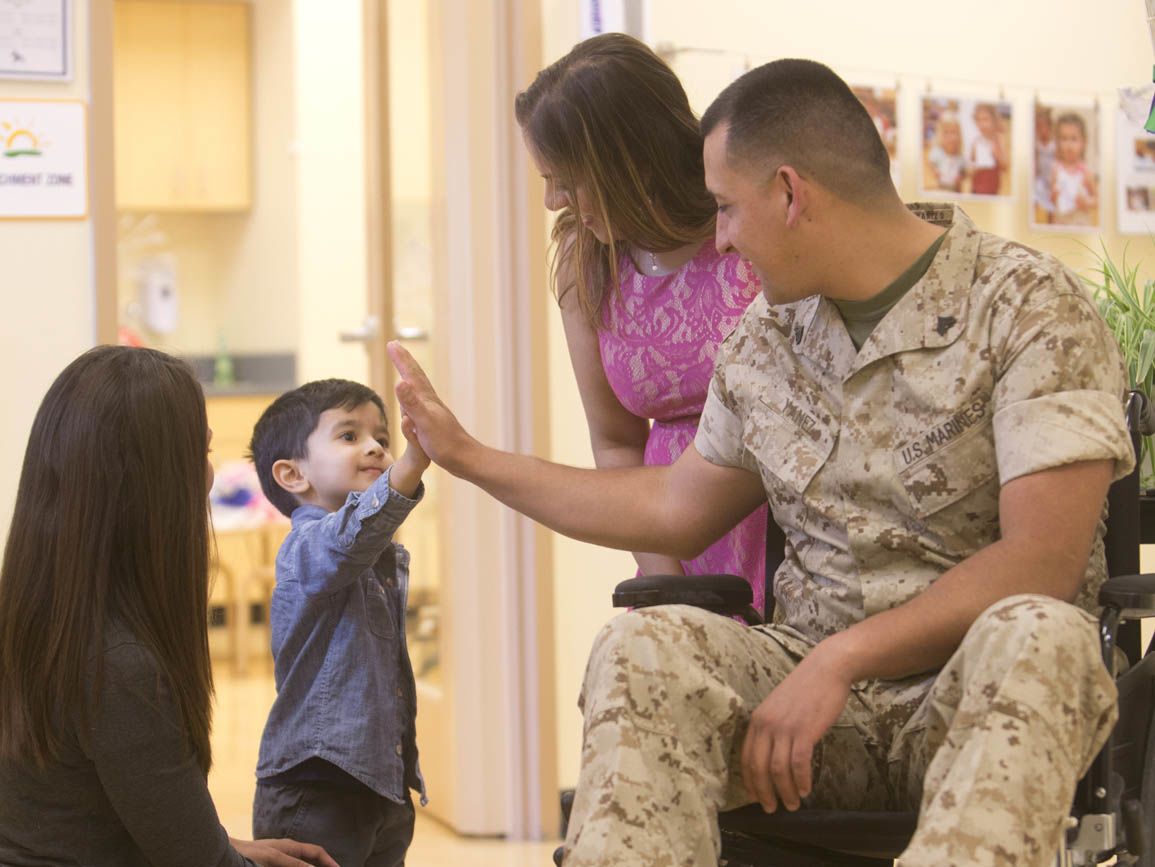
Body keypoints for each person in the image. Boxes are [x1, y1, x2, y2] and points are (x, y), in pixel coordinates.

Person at [389, 57, 1134, 867]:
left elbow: (1041, 562)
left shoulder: (1027, 306)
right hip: (809, 714)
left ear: (788, 192)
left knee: (1043, 635)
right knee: (641, 644)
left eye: (725, 208)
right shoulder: (764, 342)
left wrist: (840, 659)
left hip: (967, 696)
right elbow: (671, 507)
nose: (719, 239)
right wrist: (467, 456)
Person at [0, 346, 337, 867]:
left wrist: (228, 846)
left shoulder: (36, 624)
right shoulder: (119, 666)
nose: (207, 477)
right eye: (200, 455)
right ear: (150, 480)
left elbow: (87, 822)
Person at [515, 32, 768, 609]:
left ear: (628, 161)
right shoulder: (586, 262)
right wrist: (671, 584)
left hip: (782, 521)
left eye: (566, 179)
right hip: (666, 537)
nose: (553, 200)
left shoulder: (746, 230)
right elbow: (614, 442)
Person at [248, 378, 429, 867]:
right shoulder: (305, 548)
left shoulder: (374, 557)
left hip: (379, 782)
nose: (374, 447)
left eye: (383, 439)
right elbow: (349, 537)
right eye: (349, 436)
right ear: (291, 475)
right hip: (317, 784)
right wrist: (411, 464)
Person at [1050, 112, 1098, 226]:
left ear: (1083, 142)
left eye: (1074, 139)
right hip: (1061, 222)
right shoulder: (1056, 169)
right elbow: (1052, 198)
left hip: (1080, 222)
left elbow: (1097, 200)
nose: (1068, 144)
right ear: (1057, 142)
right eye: (1064, 139)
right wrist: (1054, 195)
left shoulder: (1085, 171)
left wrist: (1087, 202)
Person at [968, 102, 1007, 195]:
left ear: (994, 121)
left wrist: (997, 154)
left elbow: (1005, 167)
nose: (982, 124)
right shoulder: (976, 142)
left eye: (985, 120)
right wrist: (973, 168)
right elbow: (971, 165)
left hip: (992, 190)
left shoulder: (999, 140)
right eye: (978, 120)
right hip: (976, 188)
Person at [924, 110, 966, 193]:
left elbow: (963, 171)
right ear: (940, 134)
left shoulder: (960, 156)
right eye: (946, 132)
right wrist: (935, 171)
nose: (950, 136)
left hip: (955, 191)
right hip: (940, 189)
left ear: (959, 134)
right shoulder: (937, 152)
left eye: (953, 132)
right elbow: (930, 164)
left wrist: (961, 177)